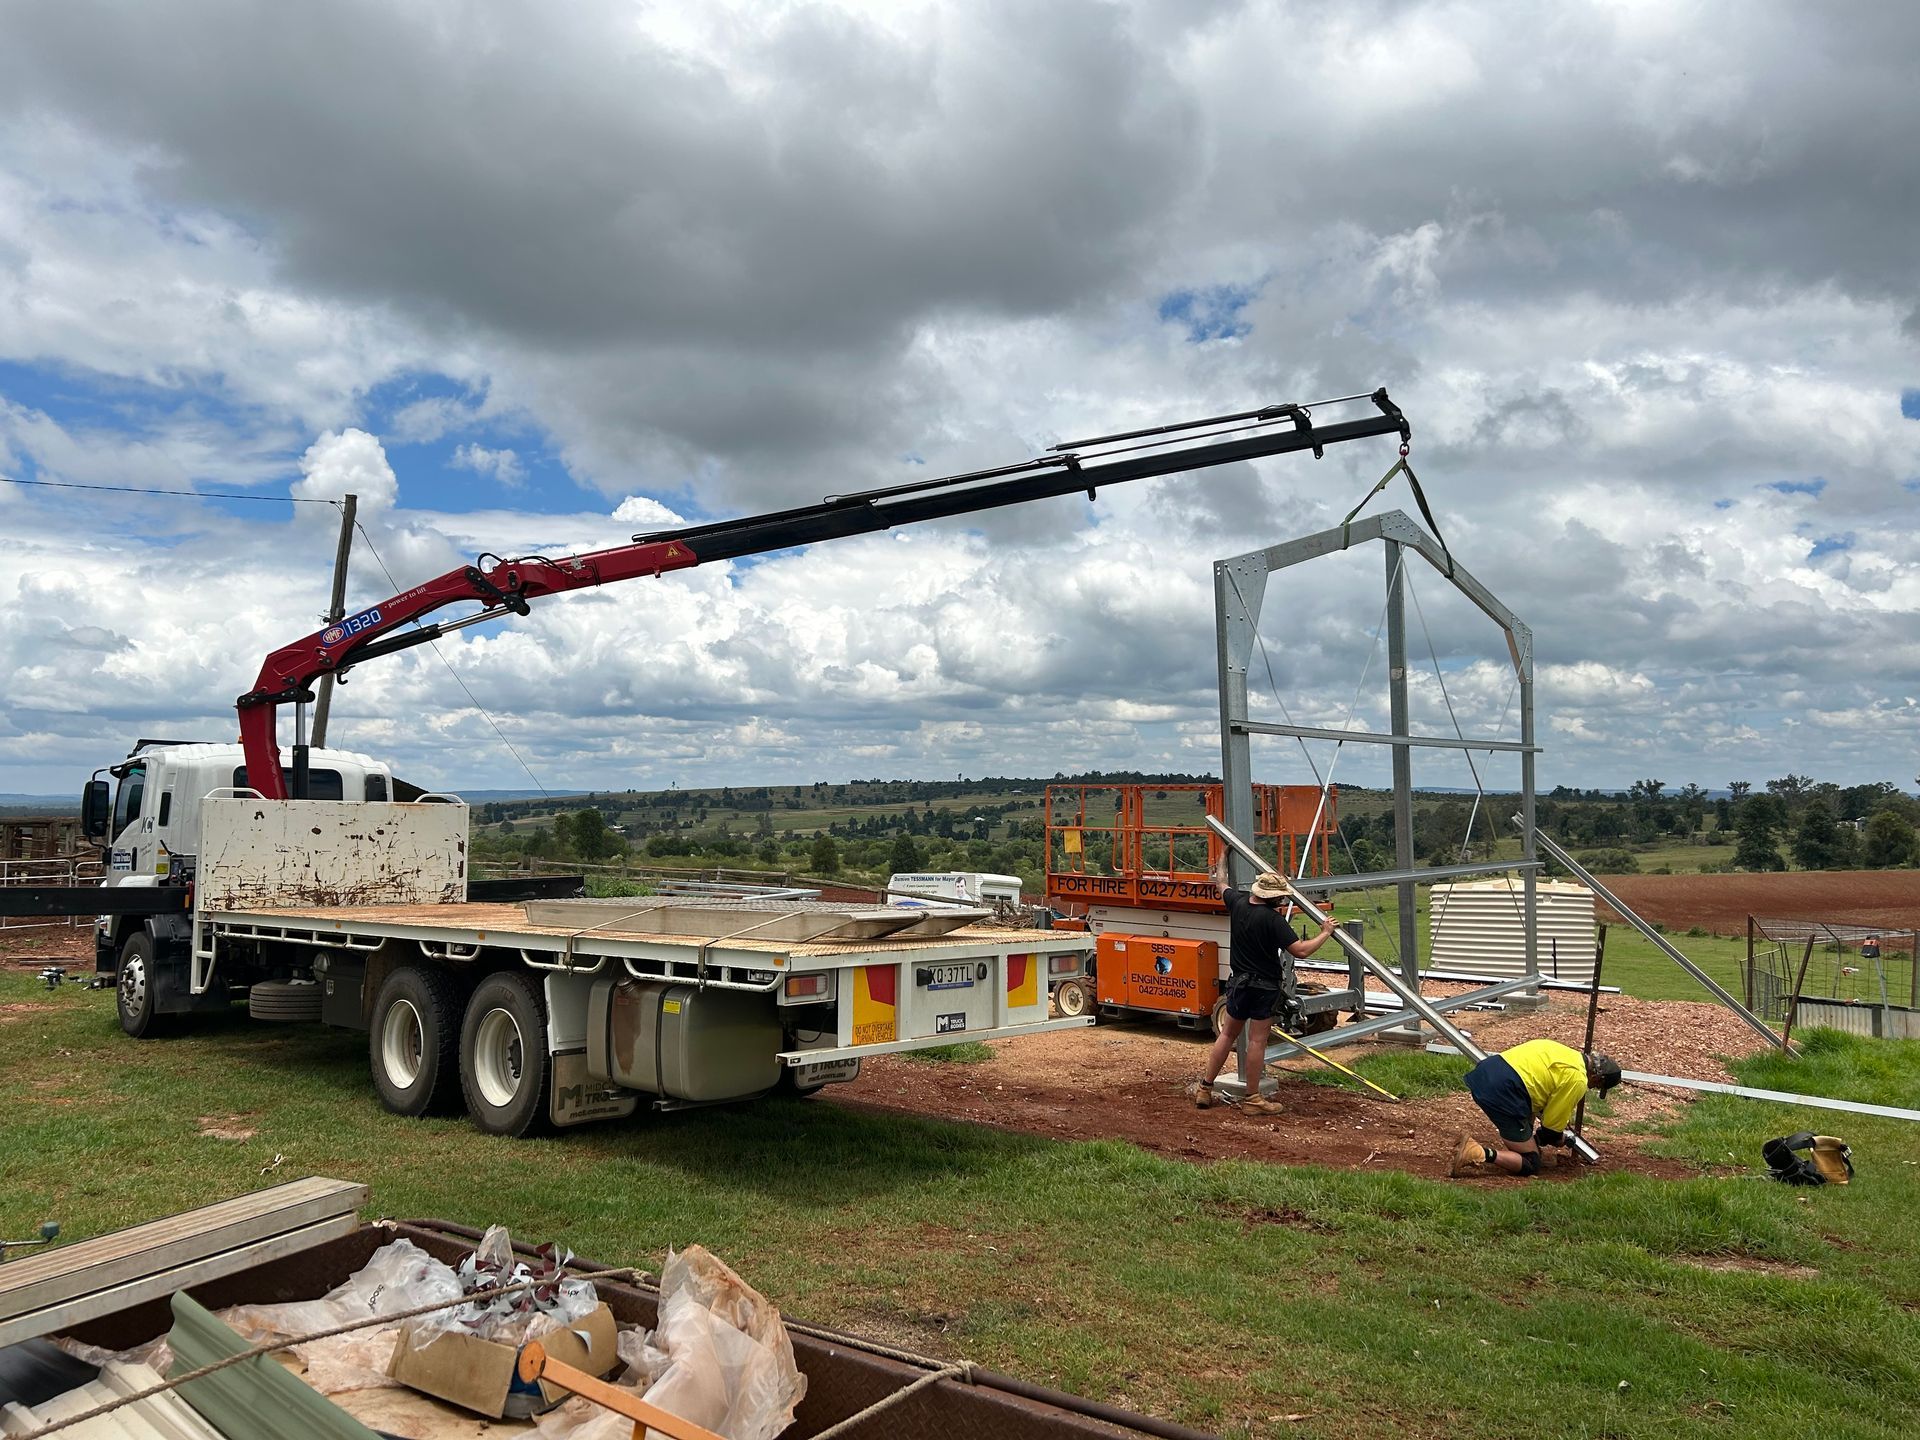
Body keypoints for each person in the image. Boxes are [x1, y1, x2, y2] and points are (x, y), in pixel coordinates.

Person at [1189, 860, 1340, 1114]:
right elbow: (1300, 951)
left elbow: (1221, 882)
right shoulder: (1273, 920)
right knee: (1257, 1041)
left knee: (1227, 1035)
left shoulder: (1237, 903)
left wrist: (1223, 859)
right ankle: (1252, 1098)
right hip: (1264, 987)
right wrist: (1325, 932)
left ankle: (1205, 1088)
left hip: (1238, 983)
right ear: (1274, 898)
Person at [1451, 1038, 1623, 1177]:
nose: (1591, 1088)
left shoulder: (1563, 1052)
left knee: (1529, 1113)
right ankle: (1477, 1152)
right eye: (1596, 1086)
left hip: (1486, 1071)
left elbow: (1537, 1091)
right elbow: (1551, 1129)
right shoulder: (1578, 1079)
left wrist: (1537, 1137)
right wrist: (1558, 1139)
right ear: (1598, 1078)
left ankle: (1519, 1146)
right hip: (1503, 1092)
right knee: (1531, 1163)